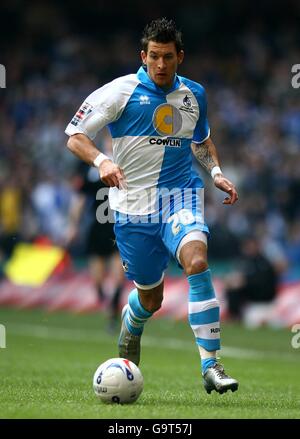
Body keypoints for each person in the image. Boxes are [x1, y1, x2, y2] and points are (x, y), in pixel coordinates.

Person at [65, 18, 239, 395]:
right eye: (154, 57)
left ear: (180, 57)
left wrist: (217, 173)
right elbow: (75, 136)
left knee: (197, 261)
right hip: (132, 207)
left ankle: (211, 364)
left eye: (168, 57)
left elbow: (201, 141)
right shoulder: (119, 92)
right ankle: (134, 319)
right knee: (151, 297)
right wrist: (102, 162)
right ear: (143, 57)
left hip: (181, 196)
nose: (160, 64)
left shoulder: (195, 95)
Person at [66, 133, 125, 333]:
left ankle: (112, 316)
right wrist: (73, 225)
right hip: (97, 228)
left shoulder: (126, 161)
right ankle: (105, 302)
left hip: (119, 226)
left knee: (119, 277)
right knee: (98, 281)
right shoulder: (92, 166)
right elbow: (80, 199)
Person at [224, 235, 279, 326]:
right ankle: (234, 316)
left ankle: (237, 317)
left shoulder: (264, 263)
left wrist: (245, 281)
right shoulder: (243, 261)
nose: (249, 248)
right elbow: (235, 276)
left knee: (261, 324)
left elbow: (263, 282)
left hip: (265, 303)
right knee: (232, 288)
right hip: (251, 304)